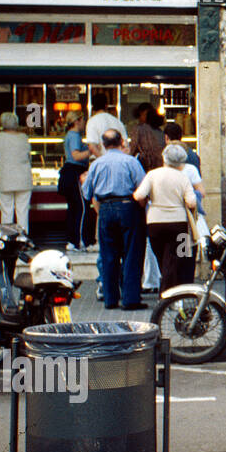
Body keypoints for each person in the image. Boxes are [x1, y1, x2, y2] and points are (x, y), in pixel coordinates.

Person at [84, 129, 147, 310]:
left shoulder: (96, 164)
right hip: (128, 206)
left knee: (109, 255)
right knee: (132, 254)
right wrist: (142, 207)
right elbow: (142, 189)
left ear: (103, 144)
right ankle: (130, 299)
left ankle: (110, 299)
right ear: (121, 142)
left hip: (106, 208)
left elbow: (87, 192)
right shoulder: (130, 162)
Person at [134, 144, 198, 292]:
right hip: (179, 224)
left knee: (163, 261)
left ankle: (169, 292)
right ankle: (170, 294)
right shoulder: (183, 178)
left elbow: (139, 195)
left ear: (164, 158)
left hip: (155, 223)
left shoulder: (152, 174)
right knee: (177, 260)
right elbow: (191, 202)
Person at [0, 112, 33, 234]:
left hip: (4, 179)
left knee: (6, 212)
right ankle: (22, 239)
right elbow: (29, 157)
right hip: (23, 179)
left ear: (2, 123)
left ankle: (8, 240)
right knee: (22, 212)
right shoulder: (24, 137)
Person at [58, 114, 92, 250]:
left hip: (69, 174)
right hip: (75, 172)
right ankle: (80, 240)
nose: (84, 122)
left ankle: (72, 240)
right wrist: (91, 150)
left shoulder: (70, 135)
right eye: (83, 119)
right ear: (77, 121)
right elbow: (76, 155)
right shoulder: (74, 136)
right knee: (81, 207)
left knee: (73, 208)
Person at [164, 121, 205, 215]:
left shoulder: (166, 155)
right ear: (181, 136)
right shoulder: (193, 155)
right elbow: (200, 189)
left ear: (166, 137)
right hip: (191, 206)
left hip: (172, 206)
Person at [130, 104, 166, 172]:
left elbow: (132, 149)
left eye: (142, 114)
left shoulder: (139, 129)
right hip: (161, 167)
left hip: (148, 167)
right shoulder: (160, 131)